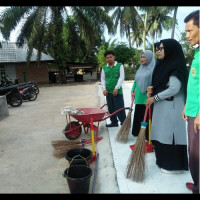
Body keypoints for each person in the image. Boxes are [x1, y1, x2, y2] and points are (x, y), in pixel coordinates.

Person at [146, 39, 189, 174]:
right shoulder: (163, 65)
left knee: (170, 136)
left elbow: (174, 88)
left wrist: (154, 98)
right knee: (162, 134)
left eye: (161, 49)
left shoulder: (175, 67)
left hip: (172, 108)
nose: (158, 51)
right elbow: (162, 84)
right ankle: (163, 162)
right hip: (164, 108)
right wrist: (152, 89)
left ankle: (173, 166)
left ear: (170, 50)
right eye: (157, 49)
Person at [182, 10, 199, 194]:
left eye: (190, 31)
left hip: (199, 114)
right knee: (193, 152)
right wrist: (187, 104)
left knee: (197, 154)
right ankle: (197, 183)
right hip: (193, 110)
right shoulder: (198, 52)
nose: (187, 35)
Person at [131, 50, 155, 141]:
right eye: (141, 57)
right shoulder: (139, 68)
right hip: (138, 95)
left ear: (149, 58)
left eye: (144, 57)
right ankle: (137, 132)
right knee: (139, 113)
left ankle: (147, 134)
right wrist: (133, 90)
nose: (142, 59)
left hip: (147, 95)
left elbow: (153, 82)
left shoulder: (153, 69)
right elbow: (136, 80)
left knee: (147, 115)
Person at [101, 50, 126, 127]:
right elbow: (103, 79)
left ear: (114, 57)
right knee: (111, 108)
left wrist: (117, 88)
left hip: (117, 91)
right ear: (106, 59)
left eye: (110, 57)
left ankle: (123, 123)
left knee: (120, 108)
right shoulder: (104, 68)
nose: (109, 59)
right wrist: (104, 89)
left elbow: (121, 77)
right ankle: (114, 122)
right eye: (107, 57)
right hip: (108, 92)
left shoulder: (119, 65)